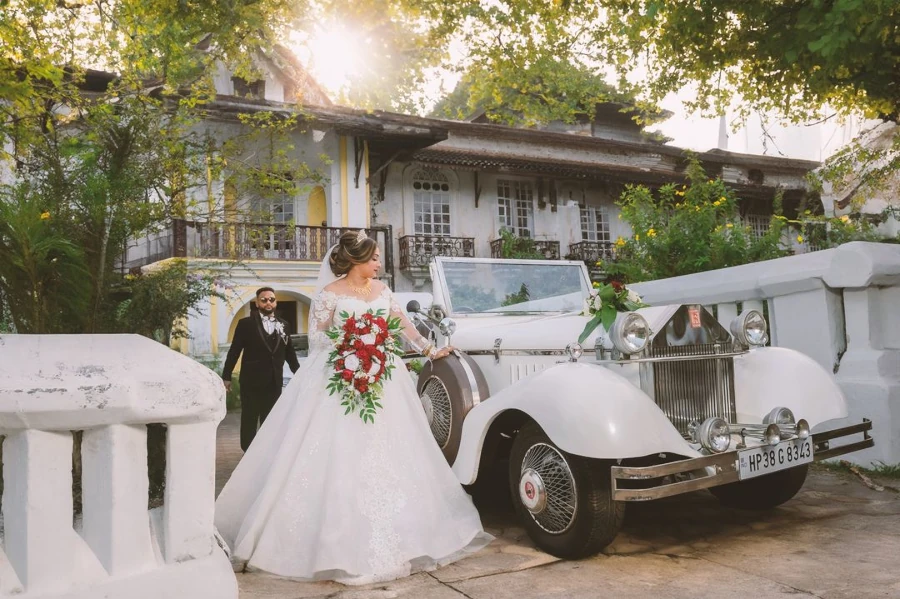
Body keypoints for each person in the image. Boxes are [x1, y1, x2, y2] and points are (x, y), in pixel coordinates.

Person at [214, 231, 492, 585]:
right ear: (357, 259)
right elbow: (317, 338)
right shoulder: (330, 294)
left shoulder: (383, 291)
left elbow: (403, 326)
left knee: (393, 449)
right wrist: (351, 345)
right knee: (335, 450)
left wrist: (428, 350)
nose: (379, 263)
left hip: (382, 378)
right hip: (339, 376)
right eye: (375, 258)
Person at [222, 287, 301, 451]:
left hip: (274, 381)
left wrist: (300, 374)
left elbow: (289, 353)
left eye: (271, 299)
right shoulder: (245, 324)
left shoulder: (284, 325)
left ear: (276, 302)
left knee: (271, 420)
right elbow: (234, 351)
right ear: (257, 303)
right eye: (264, 300)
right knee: (249, 419)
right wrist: (226, 376)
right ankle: (247, 453)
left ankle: (265, 454)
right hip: (251, 382)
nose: (268, 302)